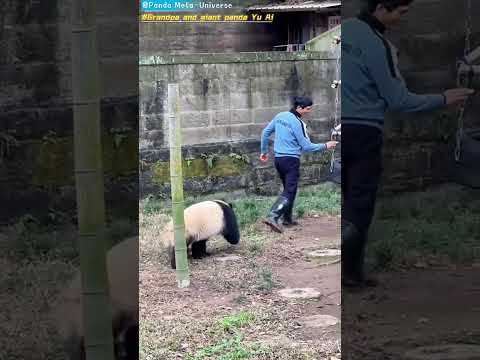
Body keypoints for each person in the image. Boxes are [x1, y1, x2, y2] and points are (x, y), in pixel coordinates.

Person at [342, 0, 475, 288]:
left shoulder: (341, 32)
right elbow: (399, 100)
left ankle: (342, 272)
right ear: (381, 7)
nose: (403, 19)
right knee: (359, 205)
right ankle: (349, 274)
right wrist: (444, 98)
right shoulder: (379, 45)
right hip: (364, 132)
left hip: (336, 130)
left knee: (342, 202)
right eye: (401, 12)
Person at [259, 96, 338, 233]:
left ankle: (287, 219)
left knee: (289, 189)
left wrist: (264, 151)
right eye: (307, 109)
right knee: (290, 190)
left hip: (279, 160)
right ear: (299, 108)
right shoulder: (298, 123)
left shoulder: (280, 116)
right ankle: (273, 216)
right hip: (291, 161)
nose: (309, 111)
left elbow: (265, 132)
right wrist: (326, 145)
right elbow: (307, 147)